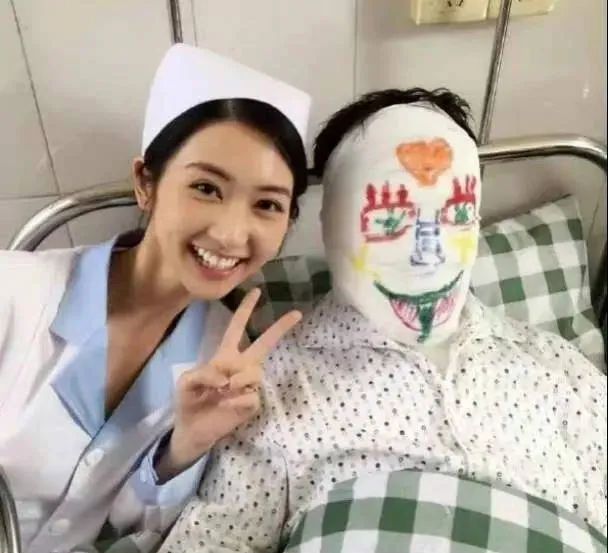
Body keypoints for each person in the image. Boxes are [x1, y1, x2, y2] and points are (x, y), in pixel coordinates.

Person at [157, 88, 607, 552]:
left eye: (455, 214)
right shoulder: (271, 389)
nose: (430, 254)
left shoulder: (559, 369)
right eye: (391, 221)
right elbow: (212, 541)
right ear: (333, 225)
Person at [0, 43, 311, 552]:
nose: (231, 235)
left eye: (267, 205)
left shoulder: (223, 357)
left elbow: (125, 526)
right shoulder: (13, 295)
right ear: (146, 183)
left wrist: (186, 445)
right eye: (206, 188)